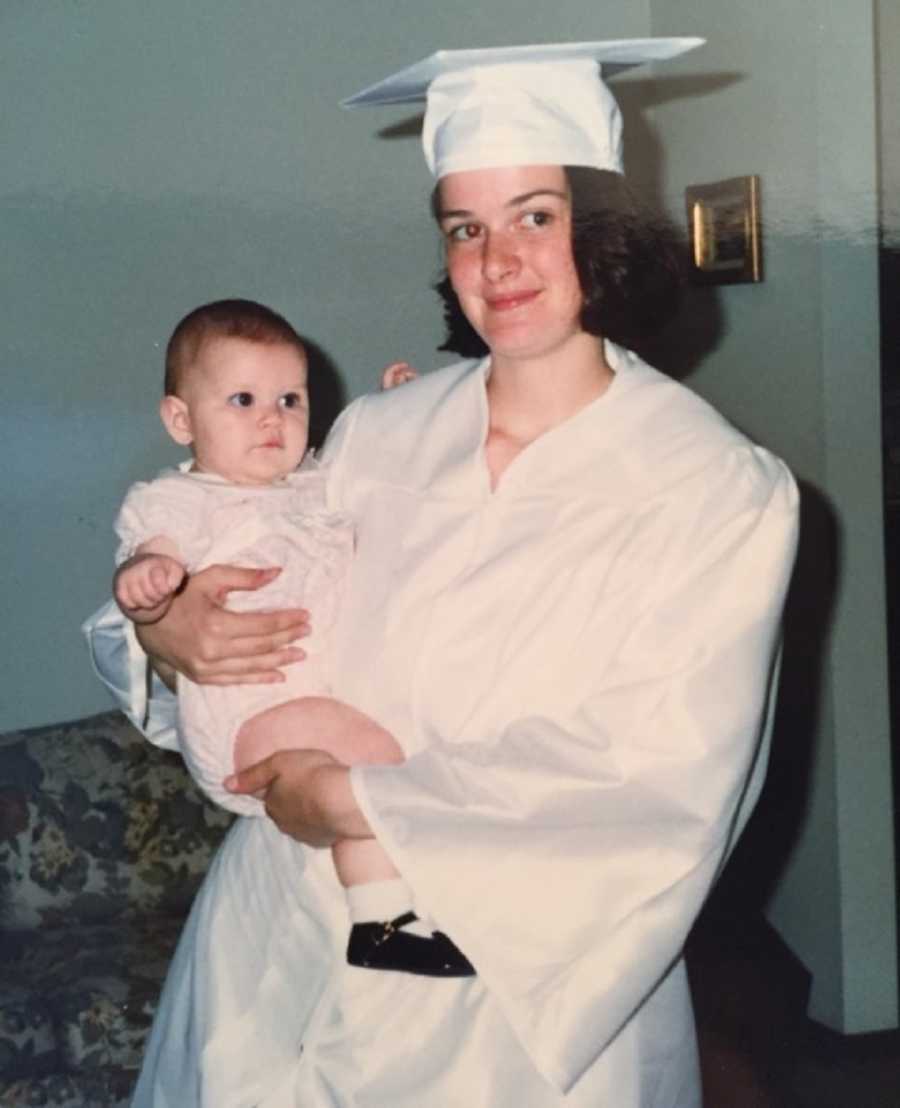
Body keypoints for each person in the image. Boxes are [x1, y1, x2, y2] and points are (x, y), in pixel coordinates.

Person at [84, 38, 799, 1108]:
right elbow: (224, 555)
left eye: (535, 215)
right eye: (465, 227)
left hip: (513, 992)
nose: (497, 260)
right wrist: (162, 626)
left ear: (603, 228)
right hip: (275, 946)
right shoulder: (376, 433)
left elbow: (658, 783)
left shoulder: (712, 488)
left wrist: (351, 797)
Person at [110, 298, 458, 970]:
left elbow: (381, 477)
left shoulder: (314, 483)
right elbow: (150, 571)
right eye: (243, 399)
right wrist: (148, 584)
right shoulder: (181, 502)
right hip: (248, 712)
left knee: (365, 772)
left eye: (290, 399)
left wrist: (401, 418)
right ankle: (384, 915)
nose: (273, 418)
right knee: (380, 767)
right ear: (181, 419)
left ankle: (385, 918)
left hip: (306, 706)